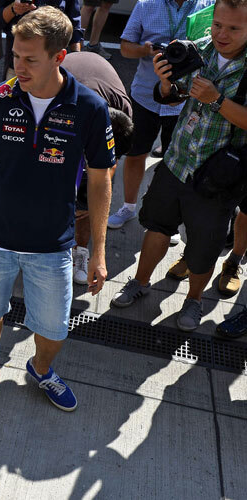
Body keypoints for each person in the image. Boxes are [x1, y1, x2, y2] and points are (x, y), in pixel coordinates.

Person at [0, 7, 114, 416]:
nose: (18, 66)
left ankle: (41, 368)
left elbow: (100, 180)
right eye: (15, 55)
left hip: (52, 245)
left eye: (30, 59)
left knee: (54, 329)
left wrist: (98, 251)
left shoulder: (89, 107)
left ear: (59, 56)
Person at [111, 0, 247, 333]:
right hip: (176, 160)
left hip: (217, 177)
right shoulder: (198, 49)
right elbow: (173, 97)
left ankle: (194, 300)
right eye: (217, 25)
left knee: (204, 246)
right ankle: (140, 282)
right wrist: (165, 83)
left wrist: (215, 99)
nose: (221, 34)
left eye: (233, 28)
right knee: (156, 228)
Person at [110, 0, 214, 231]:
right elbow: (126, 48)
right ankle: (128, 207)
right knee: (135, 155)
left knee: (174, 163)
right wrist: (147, 50)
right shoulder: (147, 5)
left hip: (184, 101)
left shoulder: (208, 8)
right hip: (145, 95)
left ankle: (167, 220)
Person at [60, 50, 134, 283]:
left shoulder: (123, 119)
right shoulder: (68, 106)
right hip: (63, 109)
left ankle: (80, 251)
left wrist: (89, 204)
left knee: (91, 196)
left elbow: (108, 170)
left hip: (96, 80)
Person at [0, 0, 82, 81]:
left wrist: (76, 59)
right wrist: (13, 9)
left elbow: (74, 23)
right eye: (17, 56)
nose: (20, 68)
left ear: (59, 57)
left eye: (30, 59)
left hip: (53, 69)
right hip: (12, 68)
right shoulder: (0, 92)